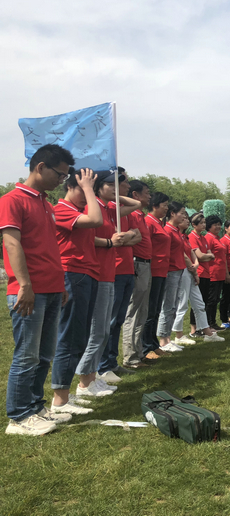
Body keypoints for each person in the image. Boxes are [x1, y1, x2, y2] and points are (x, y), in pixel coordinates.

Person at [1, 145, 73, 435]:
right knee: (27, 355)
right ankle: (19, 417)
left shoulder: (46, 204)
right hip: (29, 290)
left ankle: (35, 406)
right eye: (60, 174)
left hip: (52, 288)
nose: (61, 180)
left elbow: (50, 247)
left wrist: (60, 283)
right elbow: (11, 243)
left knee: (44, 355)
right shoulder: (12, 200)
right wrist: (25, 285)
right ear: (41, 167)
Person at [74, 169, 140, 397]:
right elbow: (84, 238)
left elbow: (135, 204)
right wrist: (110, 242)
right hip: (97, 273)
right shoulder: (92, 208)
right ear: (98, 186)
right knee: (97, 331)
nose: (116, 188)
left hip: (109, 274)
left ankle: (91, 378)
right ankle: (85, 382)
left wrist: (114, 195)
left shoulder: (110, 208)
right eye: (110, 185)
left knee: (102, 330)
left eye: (117, 184)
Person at [51, 168, 103, 415]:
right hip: (73, 273)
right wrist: (89, 188)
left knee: (79, 337)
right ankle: (60, 399)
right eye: (82, 190)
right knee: (70, 337)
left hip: (87, 273)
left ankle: (64, 395)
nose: (87, 196)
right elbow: (96, 220)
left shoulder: (78, 211)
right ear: (70, 187)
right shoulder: (62, 209)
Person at [98, 173, 142, 382]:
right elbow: (115, 240)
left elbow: (137, 236)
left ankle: (112, 362)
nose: (126, 186)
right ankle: (102, 366)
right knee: (109, 320)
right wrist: (127, 237)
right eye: (120, 183)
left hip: (127, 270)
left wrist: (129, 235)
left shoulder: (121, 210)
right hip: (113, 270)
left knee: (118, 320)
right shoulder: (107, 209)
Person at [171, 216, 224, 344]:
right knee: (182, 304)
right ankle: (178, 335)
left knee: (200, 303)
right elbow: (188, 255)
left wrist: (196, 266)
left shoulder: (185, 237)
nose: (186, 221)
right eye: (183, 218)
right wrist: (195, 266)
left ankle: (207, 332)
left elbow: (194, 254)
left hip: (193, 271)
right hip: (184, 270)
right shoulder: (179, 235)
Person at [121, 180, 153, 370]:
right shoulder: (131, 214)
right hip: (137, 264)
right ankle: (130, 356)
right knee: (133, 311)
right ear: (135, 195)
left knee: (143, 311)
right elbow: (132, 237)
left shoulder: (140, 215)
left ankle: (138, 353)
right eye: (146, 193)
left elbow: (139, 236)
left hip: (146, 265)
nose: (149, 196)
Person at [156, 202, 192, 352]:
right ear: (172, 213)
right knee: (168, 306)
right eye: (182, 213)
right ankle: (163, 340)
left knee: (174, 306)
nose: (184, 216)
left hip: (178, 270)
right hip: (170, 270)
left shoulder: (177, 231)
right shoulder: (168, 231)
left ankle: (168, 338)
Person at [141, 192, 171, 360]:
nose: (166, 208)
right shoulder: (148, 222)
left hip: (162, 271)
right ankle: (146, 347)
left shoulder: (159, 223)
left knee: (156, 310)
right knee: (150, 310)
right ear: (154, 206)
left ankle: (153, 344)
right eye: (164, 205)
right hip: (153, 270)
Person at [187, 212, 215, 336]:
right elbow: (200, 256)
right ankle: (194, 329)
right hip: (199, 272)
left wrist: (207, 256)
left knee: (204, 301)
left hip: (207, 272)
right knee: (197, 302)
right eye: (201, 223)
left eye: (204, 223)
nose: (204, 225)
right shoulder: (192, 237)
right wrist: (207, 256)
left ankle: (202, 327)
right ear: (194, 224)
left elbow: (210, 254)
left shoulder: (203, 238)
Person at [204, 215, 229, 330]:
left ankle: (213, 322)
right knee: (211, 300)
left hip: (220, 273)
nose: (218, 227)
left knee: (215, 300)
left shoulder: (217, 238)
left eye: (219, 224)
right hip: (212, 273)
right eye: (215, 225)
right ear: (209, 226)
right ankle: (208, 323)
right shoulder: (208, 238)